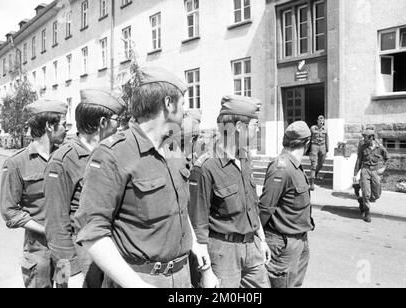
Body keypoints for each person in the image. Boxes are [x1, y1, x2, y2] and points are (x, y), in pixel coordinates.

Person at [75, 66, 208, 288]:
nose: (185, 110)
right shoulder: (113, 153)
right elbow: (92, 233)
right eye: (183, 103)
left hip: (182, 276)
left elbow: (179, 209)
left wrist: (194, 243)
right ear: (168, 103)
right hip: (140, 278)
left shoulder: (172, 149)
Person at [44, 89, 125, 288]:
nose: (120, 125)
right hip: (80, 257)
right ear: (103, 123)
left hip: (108, 250)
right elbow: (55, 225)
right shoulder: (63, 161)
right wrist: (71, 273)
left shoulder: (111, 155)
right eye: (117, 120)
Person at [189, 95, 271, 288]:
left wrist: (262, 239)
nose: (257, 129)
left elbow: (252, 205)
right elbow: (198, 224)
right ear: (240, 127)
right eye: (254, 124)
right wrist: (206, 271)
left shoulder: (245, 157)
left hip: (252, 246)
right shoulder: (205, 167)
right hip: (223, 252)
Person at [0, 99, 68, 288]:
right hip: (38, 249)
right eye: (63, 124)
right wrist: (46, 230)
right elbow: (9, 212)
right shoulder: (16, 163)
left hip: (65, 247)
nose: (67, 129)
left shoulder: (65, 157)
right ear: (49, 126)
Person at [259, 121, 315, 288]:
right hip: (283, 244)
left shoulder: (294, 165)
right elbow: (264, 208)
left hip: (299, 239)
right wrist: (260, 240)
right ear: (307, 143)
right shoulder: (281, 167)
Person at [353, 128, 389, 223]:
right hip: (365, 170)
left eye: (365, 137)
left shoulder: (379, 147)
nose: (364, 139)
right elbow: (358, 161)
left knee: (376, 194)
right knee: (366, 193)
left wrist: (383, 168)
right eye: (364, 137)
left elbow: (387, 158)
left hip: (375, 171)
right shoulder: (363, 147)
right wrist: (355, 174)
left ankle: (361, 200)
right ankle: (367, 212)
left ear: (371, 137)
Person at [309, 115, 329, 191]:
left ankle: (316, 173)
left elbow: (327, 139)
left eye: (322, 120)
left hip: (323, 147)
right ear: (317, 121)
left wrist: (327, 148)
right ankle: (312, 183)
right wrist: (307, 148)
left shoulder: (325, 129)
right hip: (314, 146)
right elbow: (309, 138)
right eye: (320, 120)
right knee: (313, 164)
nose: (321, 122)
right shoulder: (313, 128)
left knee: (321, 164)